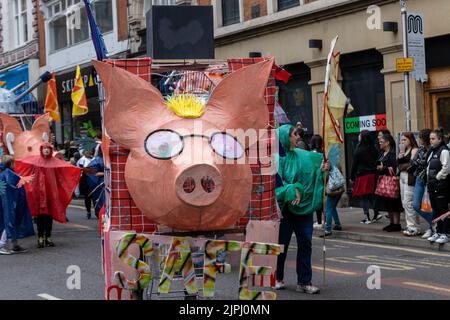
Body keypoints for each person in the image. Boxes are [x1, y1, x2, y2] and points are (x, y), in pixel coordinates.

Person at [275, 124, 329, 294]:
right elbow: (275, 185)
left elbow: (318, 171)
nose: (297, 136)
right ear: (284, 137)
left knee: (305, 244)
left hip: (304, 210)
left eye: (296, 133)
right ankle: (277, 277)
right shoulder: (276, 159)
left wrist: (324, 169)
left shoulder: (304, 155)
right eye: (293, 134)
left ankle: (304, 282)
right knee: (281, 245)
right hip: (284, 210)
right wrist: (291, 190)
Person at [14, 142, 81, 248]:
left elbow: (64, 169)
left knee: (49, 216)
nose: (46, 150)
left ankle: (48, 236)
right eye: (44, 148)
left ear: (51, 150)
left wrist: (78, 170)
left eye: (48, 148)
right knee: (40, 216)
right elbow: (23, 166)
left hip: (51, 192)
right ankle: (40, 237)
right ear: (41, 149)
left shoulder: (55, 162)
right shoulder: (35, 161)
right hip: (39, 192)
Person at [0, 155, 35, 254]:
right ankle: (1, 244)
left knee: (11, 222)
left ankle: (14, 245)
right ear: (11, 163)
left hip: (7, 202)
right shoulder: (8, 173)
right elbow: (15, 186)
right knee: (10, 222)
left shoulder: (3, 173)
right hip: (11, 202)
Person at [375, 133, 403, 232]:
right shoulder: (382, 153)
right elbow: (378, 163)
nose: (380, 143)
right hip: (384, 181)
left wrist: (384, 168)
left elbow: (395, 168)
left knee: (394, 203)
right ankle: (391, 223)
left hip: (392, 182)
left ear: (388, 142)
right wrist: (379, 167)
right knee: (388, 203)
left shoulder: (393, 153)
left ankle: (397, 224)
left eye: (381, 142)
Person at [426, 128, 450, 244]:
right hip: (432, 186)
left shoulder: (444, 151)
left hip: (440, 186)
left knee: (443, 210)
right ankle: (438, 232)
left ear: (440, 139)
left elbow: (446, 168)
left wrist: (437, 178)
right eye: (430, 138)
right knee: (435, 210)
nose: (431, 141)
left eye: (433, 138)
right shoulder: (432, 151)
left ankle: (446, 233)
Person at [351, 130, 380, 224]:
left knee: (364, 196)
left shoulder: (359, 149)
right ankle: (376, 213)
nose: (358, 136)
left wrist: (352, 177)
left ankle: (367, 217)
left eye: (360, 135)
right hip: (373, 174)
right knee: (372, 195)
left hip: (363, 175)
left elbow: (354, 164)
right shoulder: (373, 148)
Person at [411, 129, 435, 239]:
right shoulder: (420, 149)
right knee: (416, 205)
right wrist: (419, 162)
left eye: (420, 137)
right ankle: (434, 223)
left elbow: (425, 163)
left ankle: (432, 228)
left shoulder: (432, 149)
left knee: (429, 207)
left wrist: (419, 162)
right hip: (419, 178)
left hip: (428, 180)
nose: (418, 140)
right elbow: (413, 161)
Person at [398, 132, 420, 236]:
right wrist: (401, 155)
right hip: (402, 177)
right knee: (404, 202)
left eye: (404, 140)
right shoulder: (404, 151)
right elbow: (398, 165)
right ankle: (411, 225)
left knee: (408, 202)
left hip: (410, 178)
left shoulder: (414, 149)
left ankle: (413, 227)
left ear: (410, 140)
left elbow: (411, 165)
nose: (402, 142)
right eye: (401, 140)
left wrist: (402, 166)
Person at [310, 135, 324, 230]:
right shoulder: (323, 154)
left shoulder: (310, 154)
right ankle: (326, 220)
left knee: (317, 200)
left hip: (314, 180)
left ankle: (319, 222)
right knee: (323, 201)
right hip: (323, 178)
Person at [77, 150, 94, 219]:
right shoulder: (81, 160)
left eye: (89, 151)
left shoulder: (94, 159)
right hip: (86, 180)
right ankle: (88, 211)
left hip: (94, 180)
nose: (88, 153)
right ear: (84, 153)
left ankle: (97, 211)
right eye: (86, 152)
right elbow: (79, 169)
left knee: (95, 197)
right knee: (87, 197)